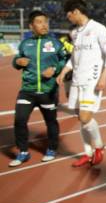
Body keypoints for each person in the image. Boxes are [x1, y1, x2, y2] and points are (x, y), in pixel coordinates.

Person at [57, 0, 106, 167]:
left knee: (85, 116)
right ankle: (88, 153)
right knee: (80, 118)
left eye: (68, 14)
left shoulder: (98, 28)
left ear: (75, 11)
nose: (68, 18)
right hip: (77, 80)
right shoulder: (75, 33)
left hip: (92, 80)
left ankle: (99, 146)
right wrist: (64, 71)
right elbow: (75, 58)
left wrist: (104, 75)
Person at [9, 11, 68, 167]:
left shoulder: (56, 43)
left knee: (50, 122)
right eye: (40, 22)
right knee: (19, 120)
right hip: (27, 90)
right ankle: (23, 152)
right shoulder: (25, 44)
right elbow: (16, 61)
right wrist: (18, 61)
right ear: (31, 26)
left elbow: (66, 60)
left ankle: (52, 149)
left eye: (45, 22)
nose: (44, 25)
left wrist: (55, 69)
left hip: (48, 91)